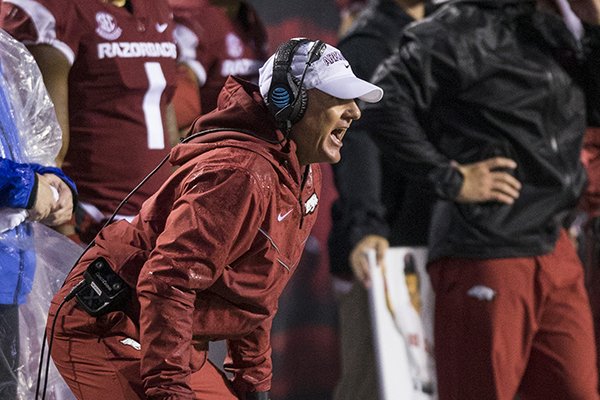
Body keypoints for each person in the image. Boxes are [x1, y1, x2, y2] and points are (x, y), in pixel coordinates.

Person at [44, 38, 382, 400]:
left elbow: (257, 288)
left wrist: (253, 380)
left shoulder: (302, 172)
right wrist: (170, 391)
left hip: (160, 327)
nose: (354, 111)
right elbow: (167, 282)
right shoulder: (240, 174)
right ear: (290, 101)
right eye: (336, 98)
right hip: (107, 324)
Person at [356, 0, 600, 398]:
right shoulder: (454, 30)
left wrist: (594, 25)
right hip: (485, 249)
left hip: (554, 248)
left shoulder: (551, 32)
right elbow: (380, 101)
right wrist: (451, 179)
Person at [1, 0, 179, 244]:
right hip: (93, 223)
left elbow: (165, 107)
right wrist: (65, 234)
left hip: (158, 219)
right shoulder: (55, 11)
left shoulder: (156, 9)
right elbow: (44, 143)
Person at [327, 1, 427, 399]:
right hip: (388, 243)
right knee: (376, 383)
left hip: (448, 239)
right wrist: (366, 226)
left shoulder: (456, 25)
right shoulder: (366, 43)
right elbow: (358, 141)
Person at [0, 26, 75, 398]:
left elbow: (24, 140)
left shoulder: (4, 52)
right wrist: (26, 187)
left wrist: (53, 181)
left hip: (10, 270)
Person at [170, 0, 268, 130]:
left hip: (252, 133)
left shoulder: (247, 16)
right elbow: (180, 114)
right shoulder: (192, 14)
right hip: (214, 139)